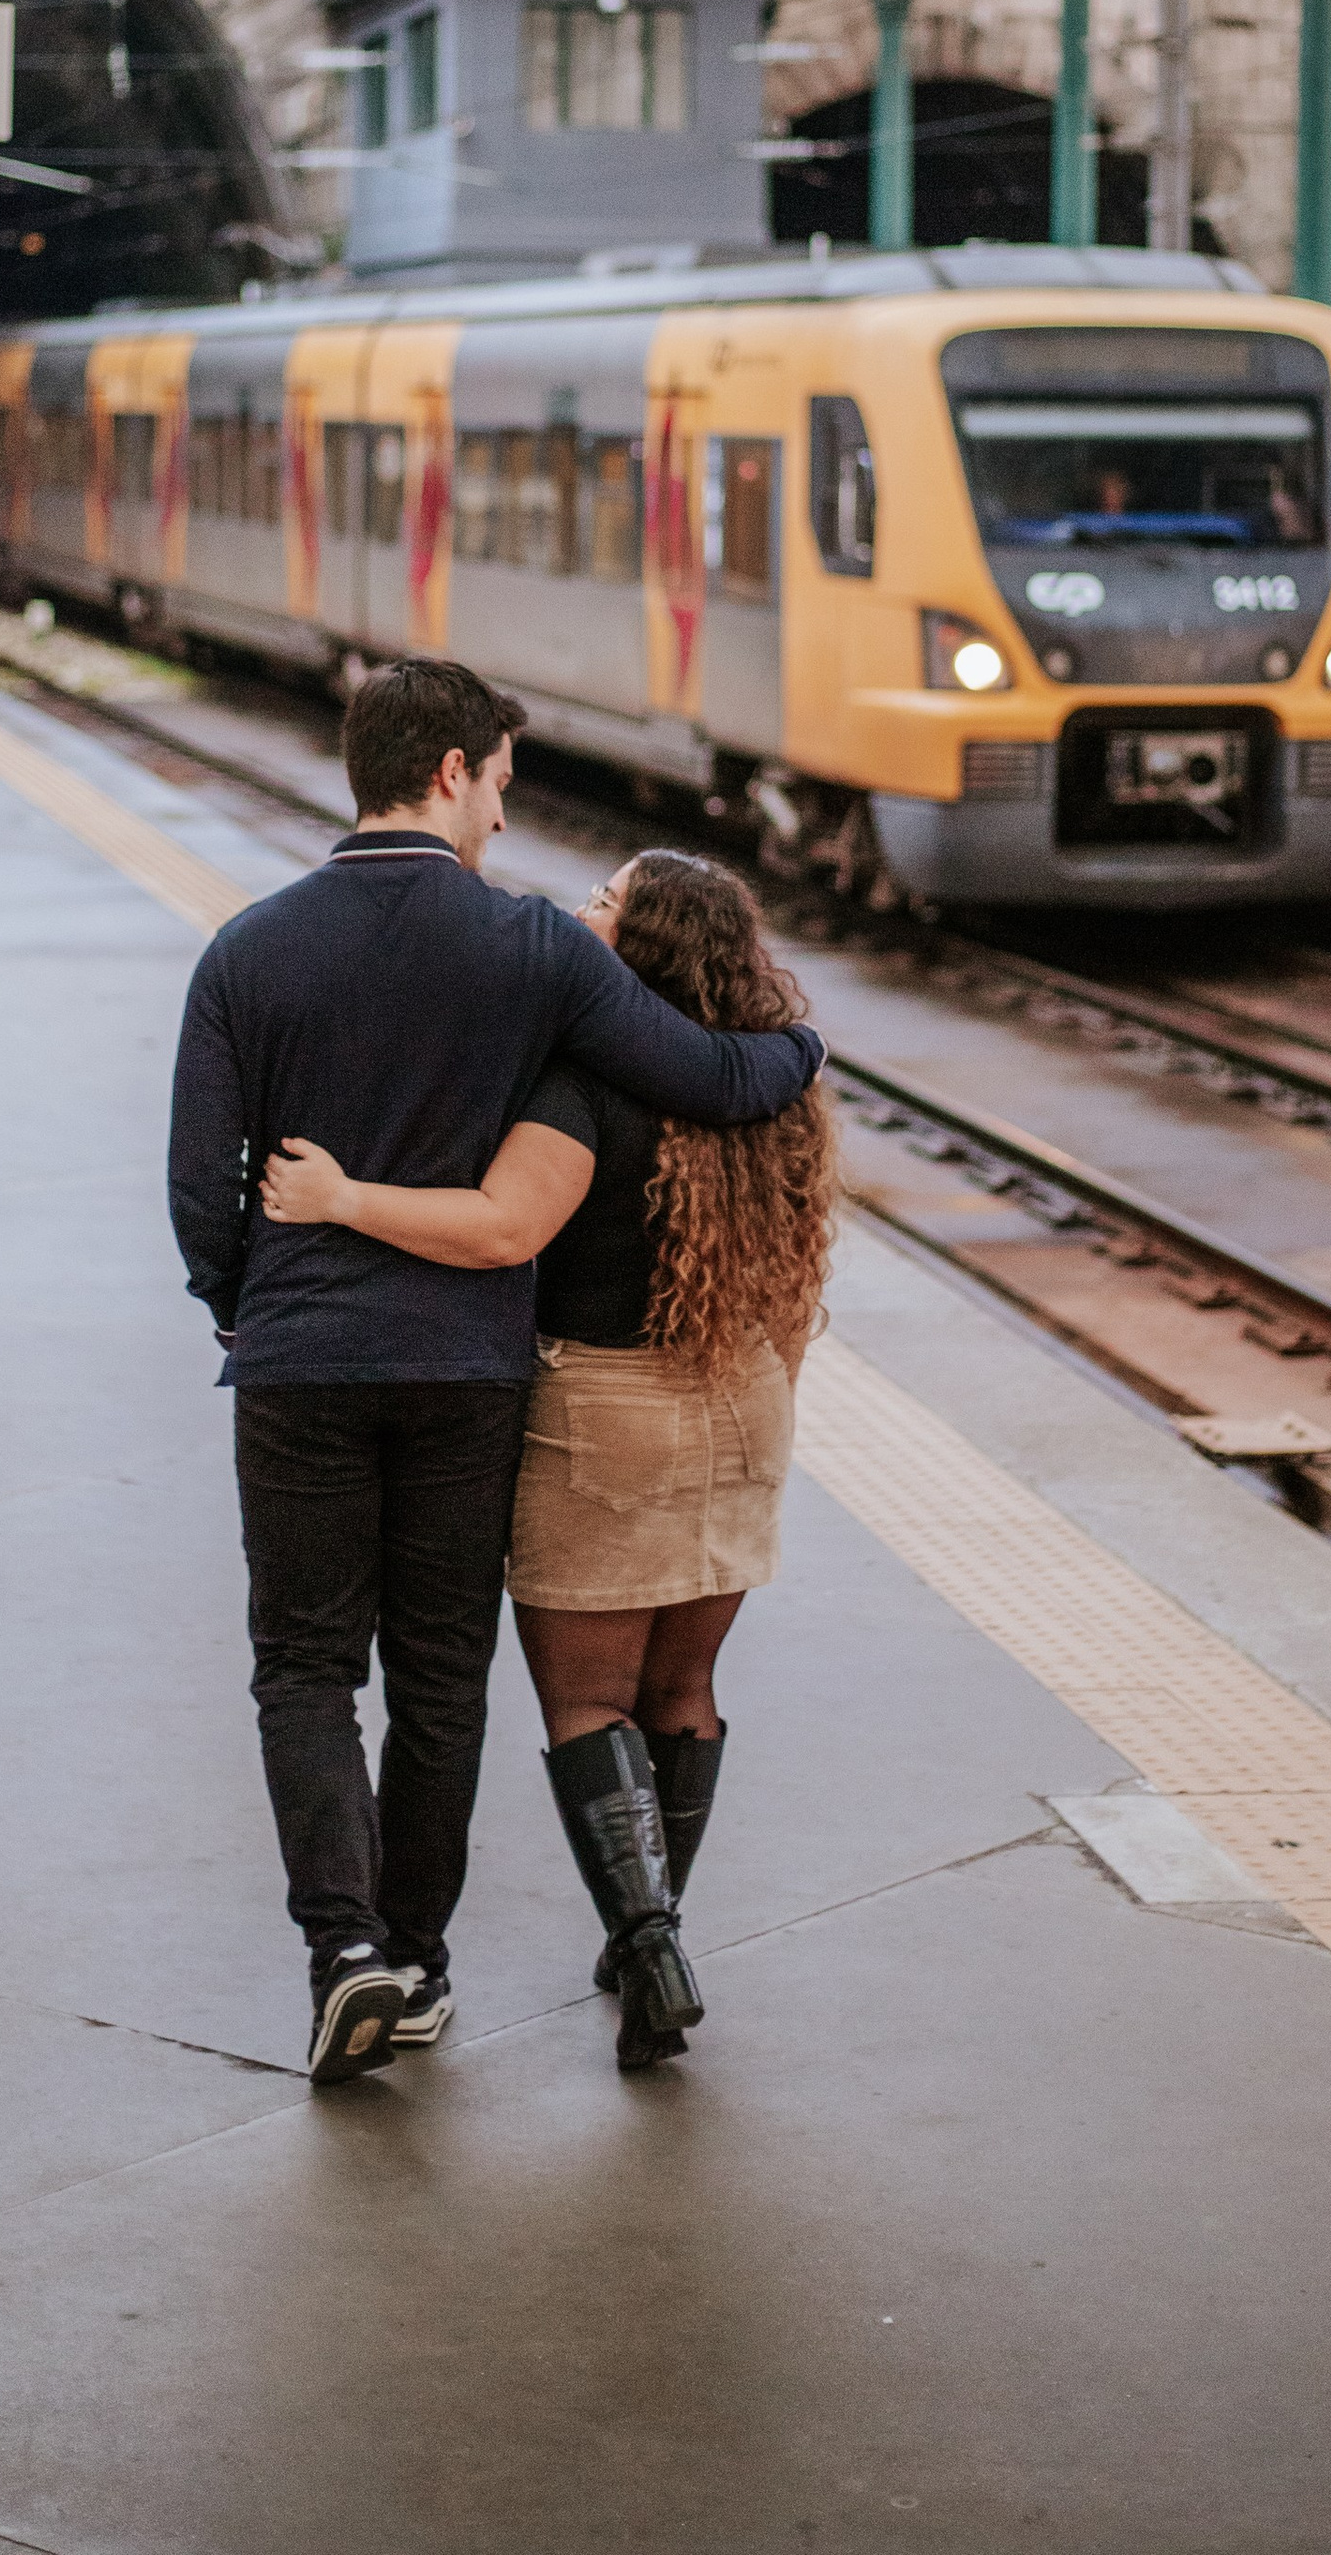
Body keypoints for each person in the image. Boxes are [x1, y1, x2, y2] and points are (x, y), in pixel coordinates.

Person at [166, 660, 824, 2088]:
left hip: (300, 1361)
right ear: (454, 771)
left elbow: (198, 1186)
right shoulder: (528, 945)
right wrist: (809, 1046)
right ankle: (419, 1960)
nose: (509, 820)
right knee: (441, 1675)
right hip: (467, 1369)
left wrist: (241, 1306)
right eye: (505, 784)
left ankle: (346, 1952)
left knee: (305, 1666)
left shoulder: (245, 951)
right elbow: (712, 1078)